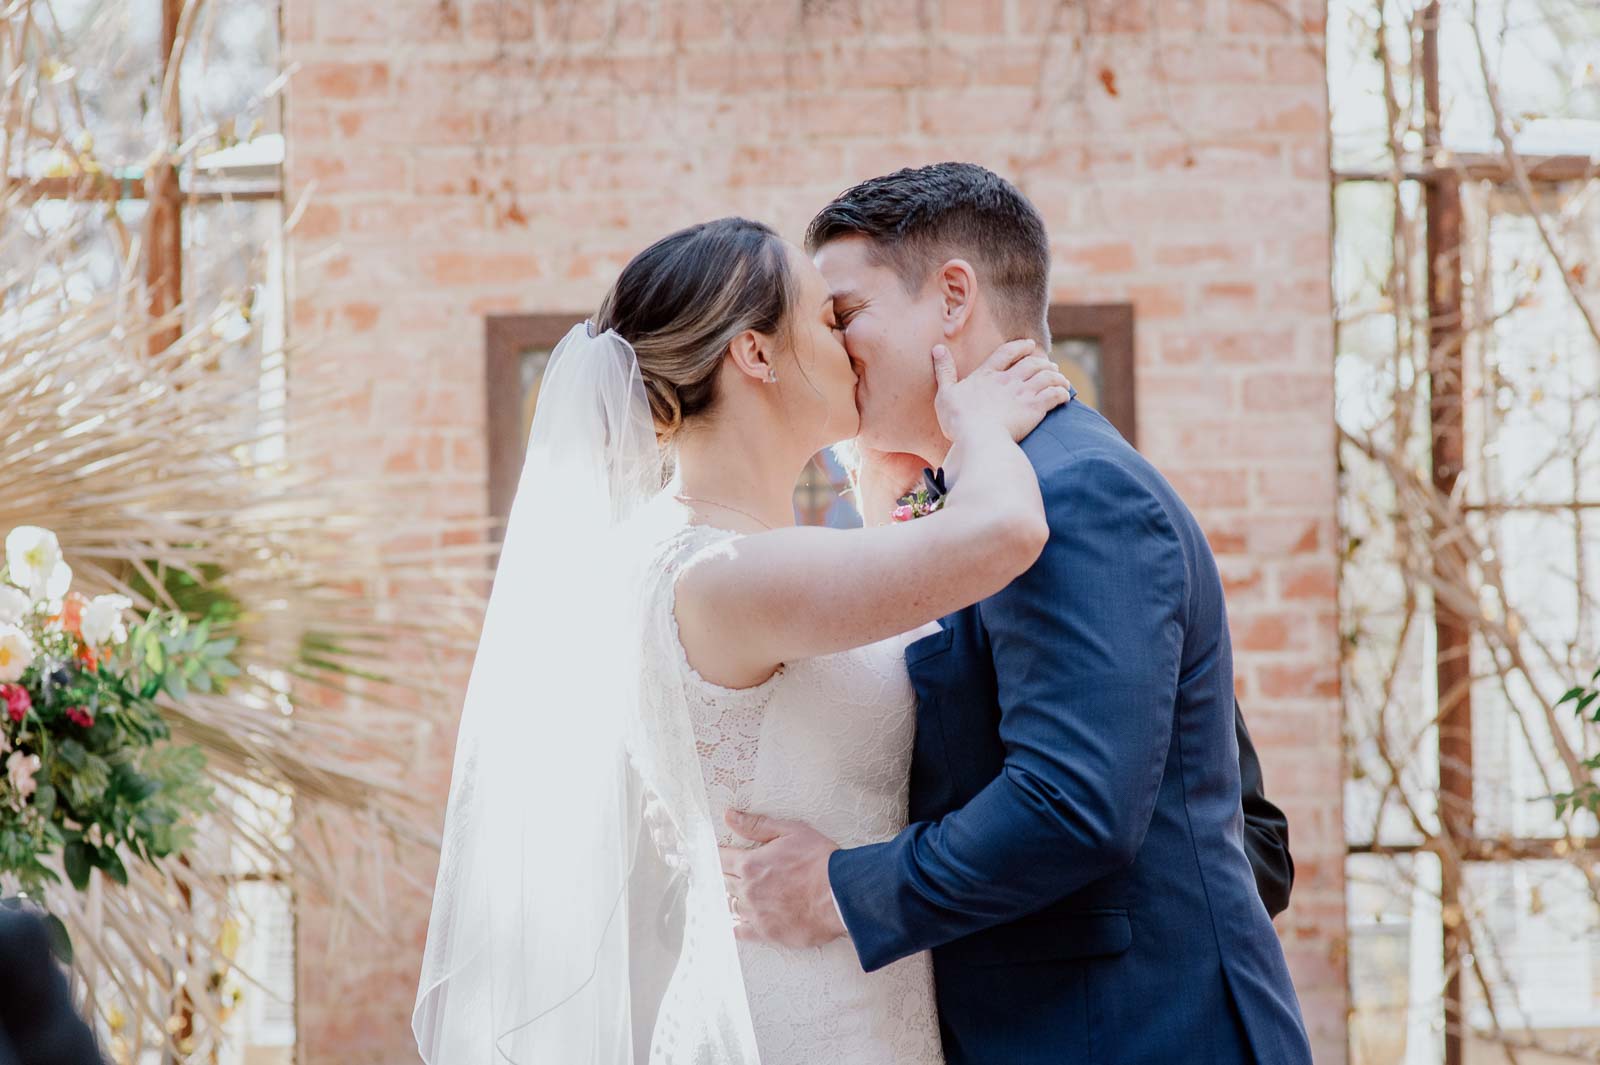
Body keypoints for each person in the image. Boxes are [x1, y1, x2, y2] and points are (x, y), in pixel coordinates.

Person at [719, 162, 1313, 1064]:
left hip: (1126, 1032)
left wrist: (837, 890)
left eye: (845, 315)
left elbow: (1076, 802)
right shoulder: (973, 502)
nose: (834, 349)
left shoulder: (1078, 495)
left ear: (952, 297)